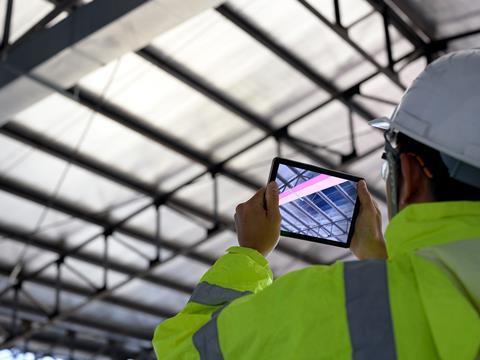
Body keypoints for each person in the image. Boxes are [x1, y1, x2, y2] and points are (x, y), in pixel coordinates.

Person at [152, 50, 480, 359]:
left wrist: (248, 255)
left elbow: (184, 349)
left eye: (388, 166)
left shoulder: (339, 303)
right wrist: (377, 261)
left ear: (411, 174)